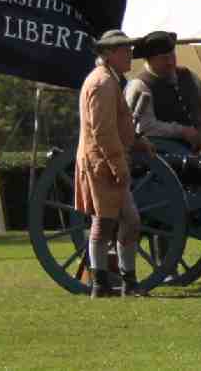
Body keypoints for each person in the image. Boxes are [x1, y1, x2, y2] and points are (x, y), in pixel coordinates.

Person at [75, 30, 154, 298]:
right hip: (103, 163)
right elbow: (103, 132)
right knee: (110, 222)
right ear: (108, 54)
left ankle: (115, 282)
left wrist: (138, 142)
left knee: (119, 222)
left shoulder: (109, 80)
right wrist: (118, 166)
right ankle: (107, 282)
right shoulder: (103, 84)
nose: (129, 54)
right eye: (124, 50)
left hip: (105, 161)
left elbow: (117, 126)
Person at [125, 31, 201, 154]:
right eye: (164, 58)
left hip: (194, 151)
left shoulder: (189, 77)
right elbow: (144, 127)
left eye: (172, 56)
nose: (170, 62)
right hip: (159, 151)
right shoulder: (140, 85)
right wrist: (182, 131)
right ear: (149, 60)